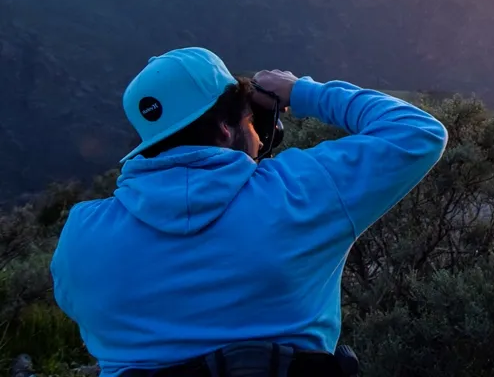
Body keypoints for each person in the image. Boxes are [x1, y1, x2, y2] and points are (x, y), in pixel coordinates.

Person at [50, 47, 448, 377]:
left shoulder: (82, 235)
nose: (259, 138)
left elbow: (77, 308)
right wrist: (300, 92)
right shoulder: (302, 191)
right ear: (226, 129)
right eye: (250, 122)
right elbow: (418, 131)